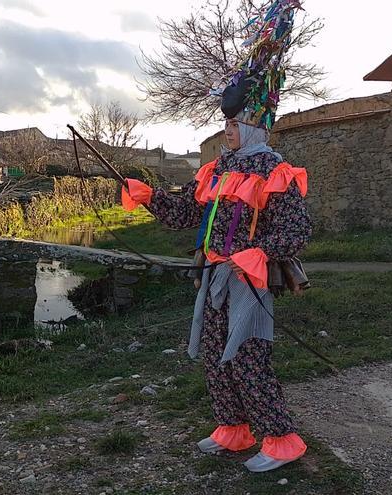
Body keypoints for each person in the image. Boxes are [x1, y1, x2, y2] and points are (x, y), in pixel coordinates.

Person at [120, 0, 312, 473]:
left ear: (250, 125)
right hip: (212, 277)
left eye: (231, 125)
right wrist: (147, 196)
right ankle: (234, 429)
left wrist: (258, 254)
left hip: (247, 282)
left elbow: (296, 230)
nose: (224, 131)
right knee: (214, 355)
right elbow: (188, 211)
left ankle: (281, 440)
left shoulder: (275, 170)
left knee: (248, 358)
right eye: (225, 124)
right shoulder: (217, 169)